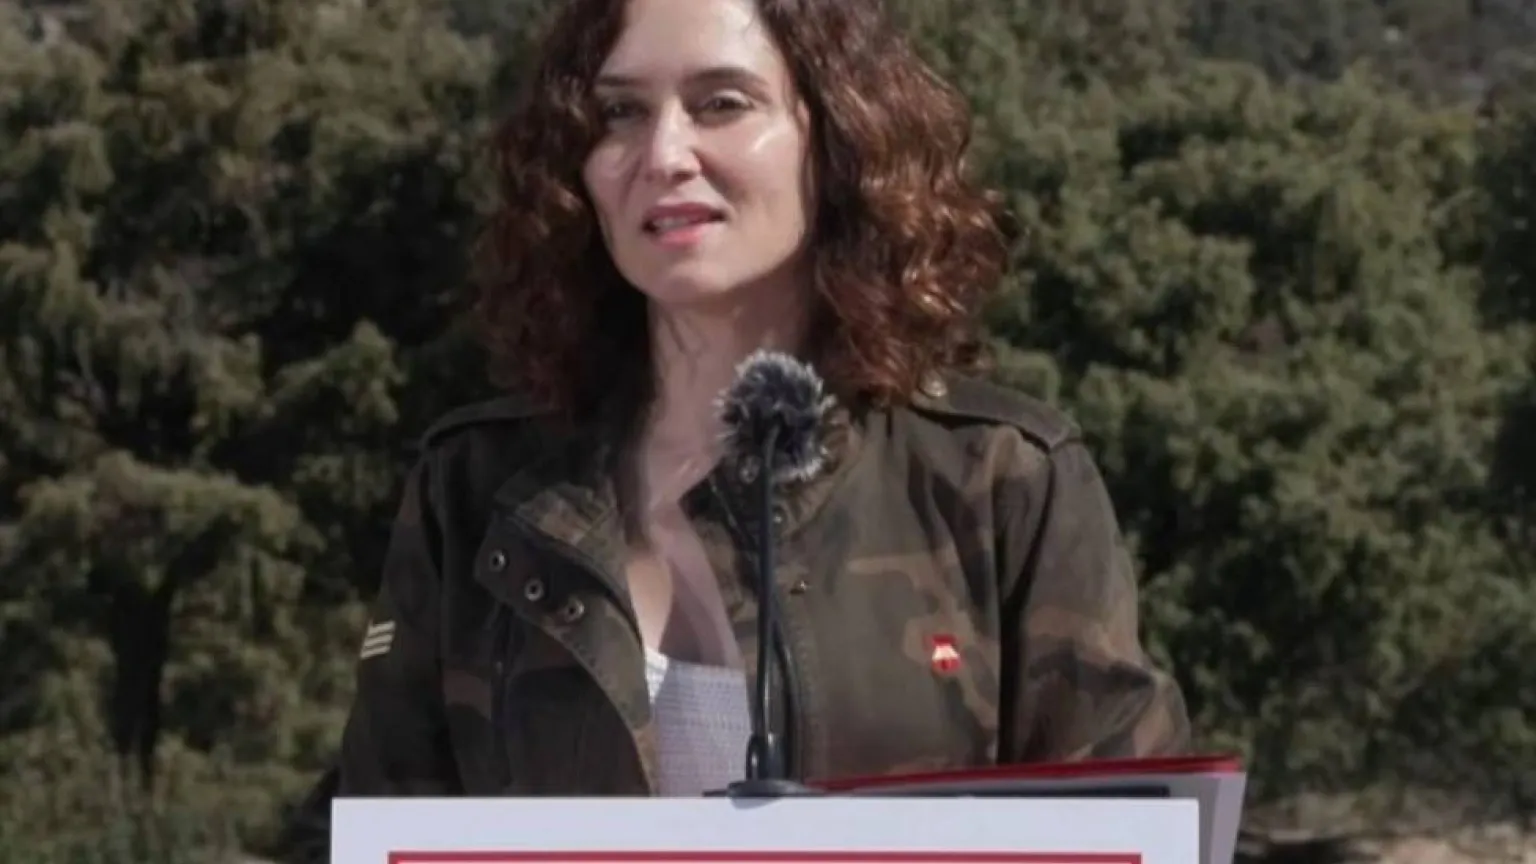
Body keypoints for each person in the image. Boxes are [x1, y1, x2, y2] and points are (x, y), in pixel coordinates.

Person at [278, 0, 1190, 855]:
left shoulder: (1000, 478)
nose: (664, 153)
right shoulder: (476, 488)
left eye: (722, 103)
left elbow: (1128, 830)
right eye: (620, 113)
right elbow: (372, 826)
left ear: (838, 137)